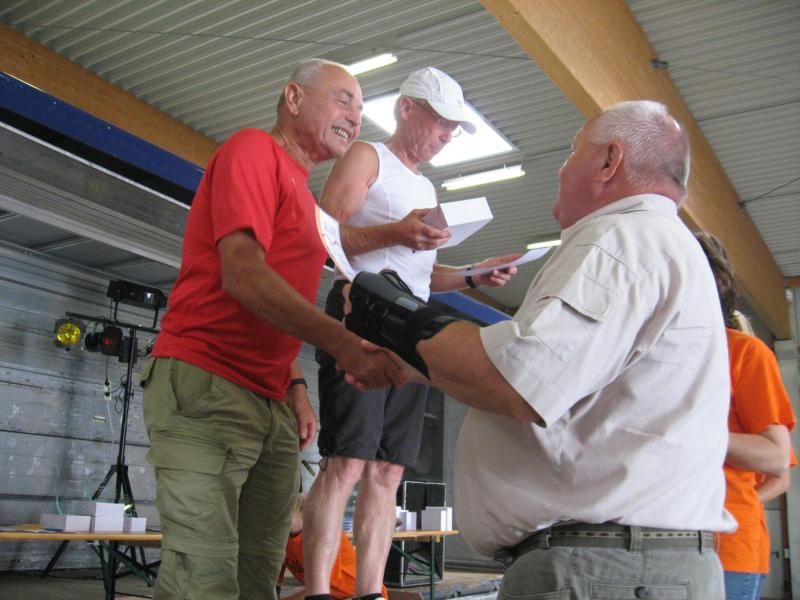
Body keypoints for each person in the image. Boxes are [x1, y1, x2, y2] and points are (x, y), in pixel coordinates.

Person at [344, 100, 736, 598]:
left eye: (573, 152)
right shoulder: (657, 242)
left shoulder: (622, 238)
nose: (560, 168)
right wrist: (410, 365)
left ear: (609, 161)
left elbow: (516, 379)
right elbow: (554, 375)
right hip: (622, 564)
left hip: (602, 571)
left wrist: (389, 312)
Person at [139, 58, 405, 600]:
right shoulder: (252, 150)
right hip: (206, 382)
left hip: (271, 401)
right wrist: (342, 343)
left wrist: (295, 384)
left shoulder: (305, 198)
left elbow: (276, 303)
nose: (355, 118)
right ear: (294, 98)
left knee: (259, 573)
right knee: (204, 578)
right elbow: (243, 274)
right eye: (343, 100)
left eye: (360, 109)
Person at [303, 66, 517, 600]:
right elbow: (323, 233)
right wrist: (397, 231)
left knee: (388, 470)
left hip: (409, 322)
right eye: (441, 123)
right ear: (407, 109)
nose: (447, 136)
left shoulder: (425, 186)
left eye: (454, 129)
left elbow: (421, 272)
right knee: (346, 460)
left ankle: (370, 592)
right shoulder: (367, 156)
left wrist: (473, 275)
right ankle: (320, 591)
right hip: (359, 312)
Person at [696, 231, 796, 600]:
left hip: (727, 548)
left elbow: (777, 463)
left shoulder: (744, 353)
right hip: (660, 544)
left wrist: (737, 507)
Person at [280, 494, 388, 600]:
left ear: (304, 514)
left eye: (286, 514)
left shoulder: (321, 535)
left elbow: (322, 589)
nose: (279, 519)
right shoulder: (283, 538)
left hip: (359, 594)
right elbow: (273, 577)